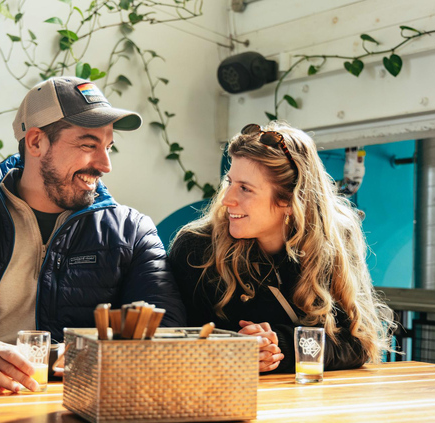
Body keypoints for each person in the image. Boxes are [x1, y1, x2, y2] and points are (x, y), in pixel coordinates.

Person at [0, 76, 186, 392]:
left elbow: (167, 341)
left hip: (78, 408)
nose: (105, 164)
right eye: (87, 144)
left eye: (108, 146)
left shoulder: (131, 232)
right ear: (36, 141)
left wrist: (41, 358)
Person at [168, 122, 394, 374]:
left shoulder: (335, 239)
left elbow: (359, 343)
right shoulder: (196, 248)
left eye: (245, 188)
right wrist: (239, 350)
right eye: (229, 182)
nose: (226, 199)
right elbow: (176, 346)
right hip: (222, 398)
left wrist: (283, 347)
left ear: (289, 200)